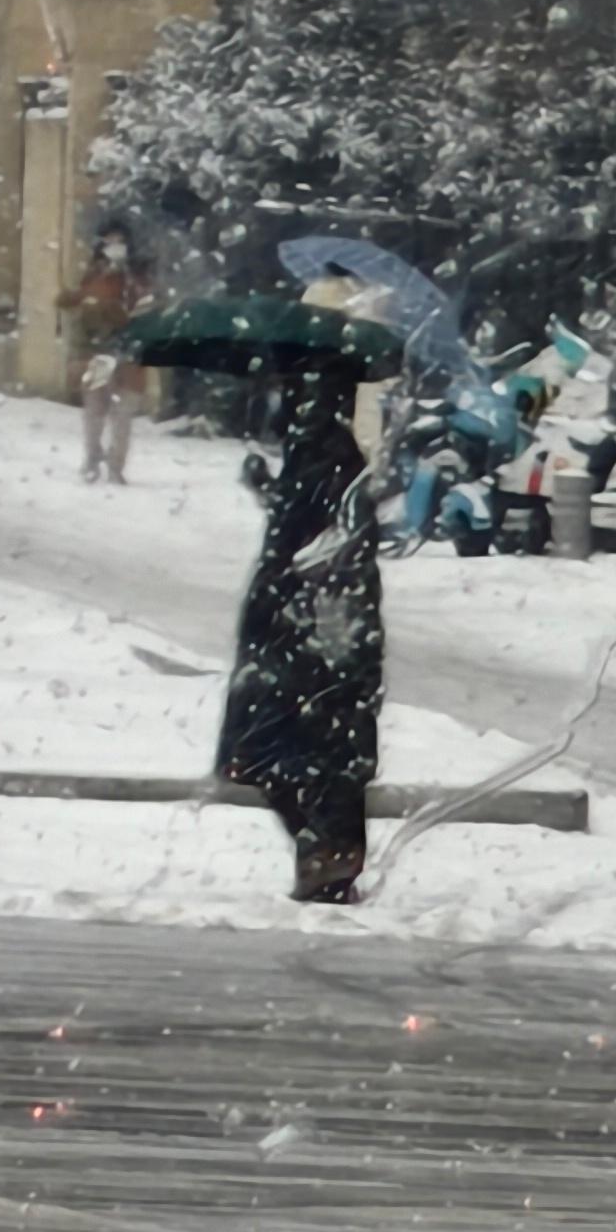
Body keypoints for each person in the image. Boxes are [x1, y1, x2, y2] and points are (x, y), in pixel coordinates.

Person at [216, 368, 383, 904]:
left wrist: (319, 619)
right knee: (290, 749)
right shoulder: (313, 450)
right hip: (296, 628)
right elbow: (306, 527)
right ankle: (326, 854)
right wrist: (266, 486)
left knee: (301, 747)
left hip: (312, 629)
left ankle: (331, 858)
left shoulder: (329, 453)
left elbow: (332, 542)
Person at [66, 220, 148, 485]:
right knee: (94, 412)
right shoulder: (93, 276)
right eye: (110, 242)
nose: (115, 248)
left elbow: (147, 310)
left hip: (129, 354)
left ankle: (116, 467)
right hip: (97, 352)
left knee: (123, 415)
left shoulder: (138, 276)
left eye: (119, 242)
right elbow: (82, 315)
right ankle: (92, 459)